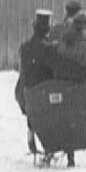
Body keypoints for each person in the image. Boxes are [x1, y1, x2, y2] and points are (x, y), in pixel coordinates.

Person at [52, 9, 86, 164]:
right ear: (85, 26)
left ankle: (70, 156)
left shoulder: (64, 41)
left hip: (64, 83)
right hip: (82, 82)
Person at [14, 10, 56, 155]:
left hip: (26, 94)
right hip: (44, 94)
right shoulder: (48, 49)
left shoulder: (25, 47)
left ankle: (31, 134)